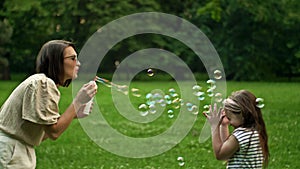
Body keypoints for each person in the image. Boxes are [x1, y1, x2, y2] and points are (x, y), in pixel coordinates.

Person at [0, 40, 97, 169]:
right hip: (10, 152)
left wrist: (73, 115)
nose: (78, 63)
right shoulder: (43, 84)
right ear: (56, 61)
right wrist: (78, 101)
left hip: (15, 151)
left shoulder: (42, 83)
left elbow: (41, 135)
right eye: (72, 58)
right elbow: (54, 132)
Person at [203, 90, 269, 168]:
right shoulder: (254, 132)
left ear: (243, 115)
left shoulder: (240, 135)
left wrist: (214, 126)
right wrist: (224, 125)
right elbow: (227, 152)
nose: (230, 123)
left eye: (230, 118)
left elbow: (220, 155)